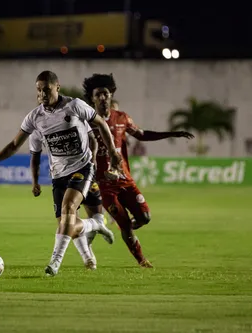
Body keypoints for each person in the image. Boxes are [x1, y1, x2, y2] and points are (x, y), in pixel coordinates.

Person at [0, 70, 122, 276]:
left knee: (68, 207)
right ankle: (95, 226)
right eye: (39, 90)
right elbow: (14, 144)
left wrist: (112, 152)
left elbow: (100, 123)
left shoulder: (74, 106)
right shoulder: (35, 117)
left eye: (46, 90)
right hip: (58, 176)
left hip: (82, 167)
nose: (42, 95)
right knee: (68, 225)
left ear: (57, 87)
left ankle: (54, 263)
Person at [82, 73, 194, 267]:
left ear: (111, 95)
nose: (102, 97)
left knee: (145, 218)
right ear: (91, 98)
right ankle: (141, 260)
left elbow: (142, 135)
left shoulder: (122, 118)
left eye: (105, 93)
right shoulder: (87, 122)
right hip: (105, 185)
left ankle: (123, 227)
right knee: (125, 225)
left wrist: (172, 134)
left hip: (125, 180)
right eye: (98, 94)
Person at [29, 130, 108, 270]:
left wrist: (93, 158)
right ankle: (93, 231)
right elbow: (35, 155)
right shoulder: (38, 125)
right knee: (65, 225)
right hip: (59, 177)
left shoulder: (73, 114)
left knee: (68, 218)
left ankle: (55, 262)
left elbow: (92, 138)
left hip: (81, 170)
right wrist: (35, 181)